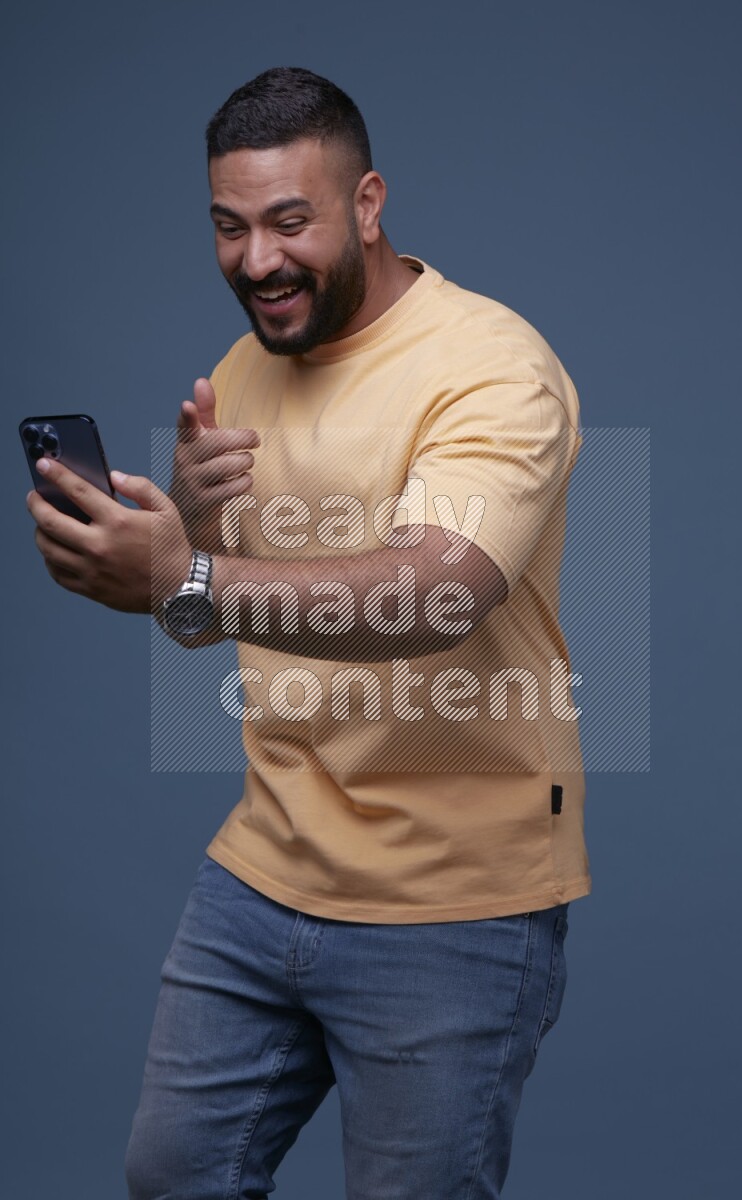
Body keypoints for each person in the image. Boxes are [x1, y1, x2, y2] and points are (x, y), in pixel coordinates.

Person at [27, 66, 590, 1200]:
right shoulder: (245, 365)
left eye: (291, 221)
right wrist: (178, 537)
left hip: (449, 903)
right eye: (229, 228)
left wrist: (183, 567)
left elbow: (440, 593)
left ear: (367, 205)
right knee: (171, 1179)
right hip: (262, 866)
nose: (257, 261)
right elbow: (213, 615)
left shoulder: (490, 368)